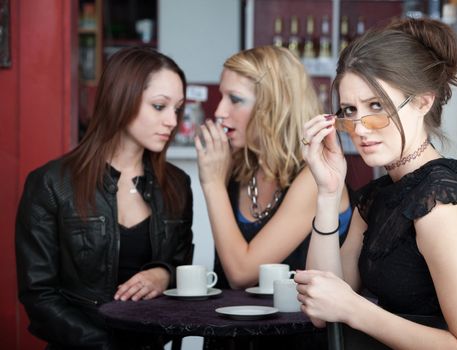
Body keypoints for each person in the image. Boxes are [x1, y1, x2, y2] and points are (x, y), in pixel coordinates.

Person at [296, 17, 457, 349]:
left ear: (422, 101)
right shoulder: (379, 196)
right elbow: (323, 311)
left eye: (377, 106)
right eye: (349, 110)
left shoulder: (439, 206)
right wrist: (328, 193)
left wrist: (355, 309)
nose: (360, 128)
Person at [15, 47, 193, 350]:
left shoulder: (176, 183)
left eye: (177, 109)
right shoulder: (50, 183)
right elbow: (39, 296)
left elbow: (182, 263)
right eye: (159, 106)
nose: (172, 121)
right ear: (120, 99)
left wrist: (163, 273)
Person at [195, 46, 351, 348]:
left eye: (235, 99)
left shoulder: (314, 177)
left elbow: (241, 273)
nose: (219, 111)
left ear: (273, 106)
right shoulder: (238, 168)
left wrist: (212, 183)